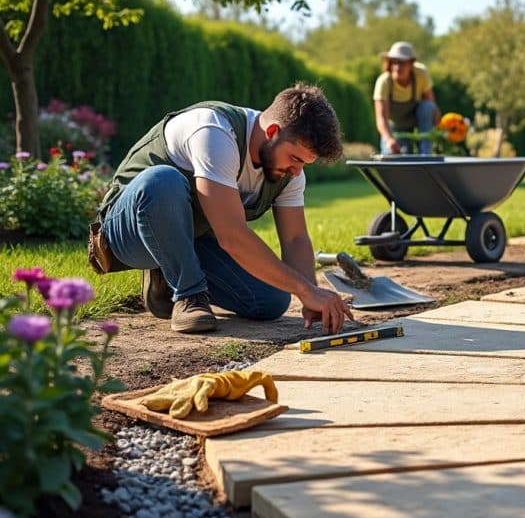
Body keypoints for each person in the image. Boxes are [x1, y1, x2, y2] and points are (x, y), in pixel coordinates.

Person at [92, 83, 353, 334]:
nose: (297, 171)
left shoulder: (291, 173)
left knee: (271, 300)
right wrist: (307, 291)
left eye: (305, 164)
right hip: (127, 232)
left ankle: (166, 281)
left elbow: (295, 239)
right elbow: (231, 235)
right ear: (272, 132)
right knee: (163, 181)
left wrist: (310, 293)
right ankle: (188, 295)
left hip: (193, 237)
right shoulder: (214, 131)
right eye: (295, 158)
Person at [373, 41, 441, 155]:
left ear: (411, 63)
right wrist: (390, 140)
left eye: (402, 62)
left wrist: (438, 133)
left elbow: (432, 106)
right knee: (391, 155)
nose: (397, 67)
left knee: (428, 107)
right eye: (394, 62)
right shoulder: (384, 81)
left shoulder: (421, 74)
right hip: (394, 129)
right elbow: (381, 118)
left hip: (417, 125)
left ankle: (426, 156)